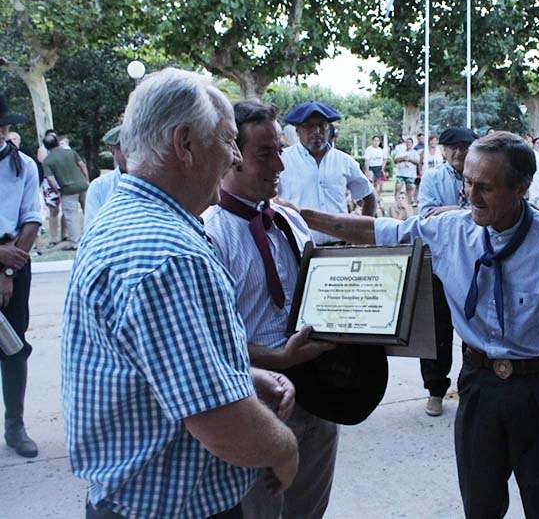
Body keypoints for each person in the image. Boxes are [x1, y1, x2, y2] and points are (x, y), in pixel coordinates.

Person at [297, 131, 539, 518]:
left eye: (486, 188)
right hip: (479, 387)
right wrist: (302, 216)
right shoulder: (450, 230)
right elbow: (376, 230)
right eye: (468, 183)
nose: (471, 197)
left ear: (521, 188)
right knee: (480, 505)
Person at [62, 68, 300, 519]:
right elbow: (221, 422)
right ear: (185, 143)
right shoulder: (169, 255)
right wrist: (285, 450)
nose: (234, 157)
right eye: (228, 141)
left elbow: (152, 365)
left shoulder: (125, 217)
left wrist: (239, 374)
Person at [203, 100, 339, 519]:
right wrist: (276, 358)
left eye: (279, 150)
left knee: (309, 509)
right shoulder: (209, 235)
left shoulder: (290, 223)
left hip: (319, 396)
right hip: (256, 404)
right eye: (265, 154)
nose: (280, 165)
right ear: (232, 154)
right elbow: (207, 341)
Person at [416, 127, 478, 416]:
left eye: (465, 145)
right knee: (437, 327)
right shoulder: (433, 178)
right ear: (443, 149)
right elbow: (427, 217)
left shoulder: (481, 174)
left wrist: (447, 211)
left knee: (474, 324)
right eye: (453, 146)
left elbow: (490, 210)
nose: (460, 151)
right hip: (440, 260)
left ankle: (470, 388)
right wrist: (467, 211)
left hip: (474, 260)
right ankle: (435, 391)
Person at [0, 94, 43, 459]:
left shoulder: (24, 165)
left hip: (15, 260)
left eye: (3, 125)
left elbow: (32, 218)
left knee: (14, 346)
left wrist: (8, 269)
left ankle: (15, 425)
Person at [277, 101, 376, 245]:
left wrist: (361, 237)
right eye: (309, 126)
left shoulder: (344, 161)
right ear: (297, 130)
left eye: (322, 125)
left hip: (340, 248)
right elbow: (270, 202)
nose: (317, 131)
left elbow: (369, 196)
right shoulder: (282, 160)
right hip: (297, 248)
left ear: (329, 129)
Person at [42, 133, 89, 249]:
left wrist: (57, 191)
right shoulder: (70, 152)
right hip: (83, 185)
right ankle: (95, 235)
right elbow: (82, 165)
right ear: (58, 142)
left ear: (46, 147)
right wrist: (86, 179)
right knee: (88, 210)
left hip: (68, 190)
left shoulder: (47, 161)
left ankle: (76, 242)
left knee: (71, 215)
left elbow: (50, 178)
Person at [83, 125, 127, 228]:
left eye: (137, 147)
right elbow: (92, 228)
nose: (132, 153)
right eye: (125, 148)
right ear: (112, 150)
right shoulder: (99, 187)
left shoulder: (157, 181)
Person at [393, 137, 419, 206]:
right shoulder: (401, 151)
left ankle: (408, 205)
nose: (408, 144)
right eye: (407, 142)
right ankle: (397, 204)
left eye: (410, 142)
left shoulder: (415, 152)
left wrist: (410, 159)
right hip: (400, 173)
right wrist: (403, 158)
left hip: (410, 174)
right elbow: (395, 160)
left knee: (409, 189)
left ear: (412, 144)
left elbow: (417, 162)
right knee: (398, 187)